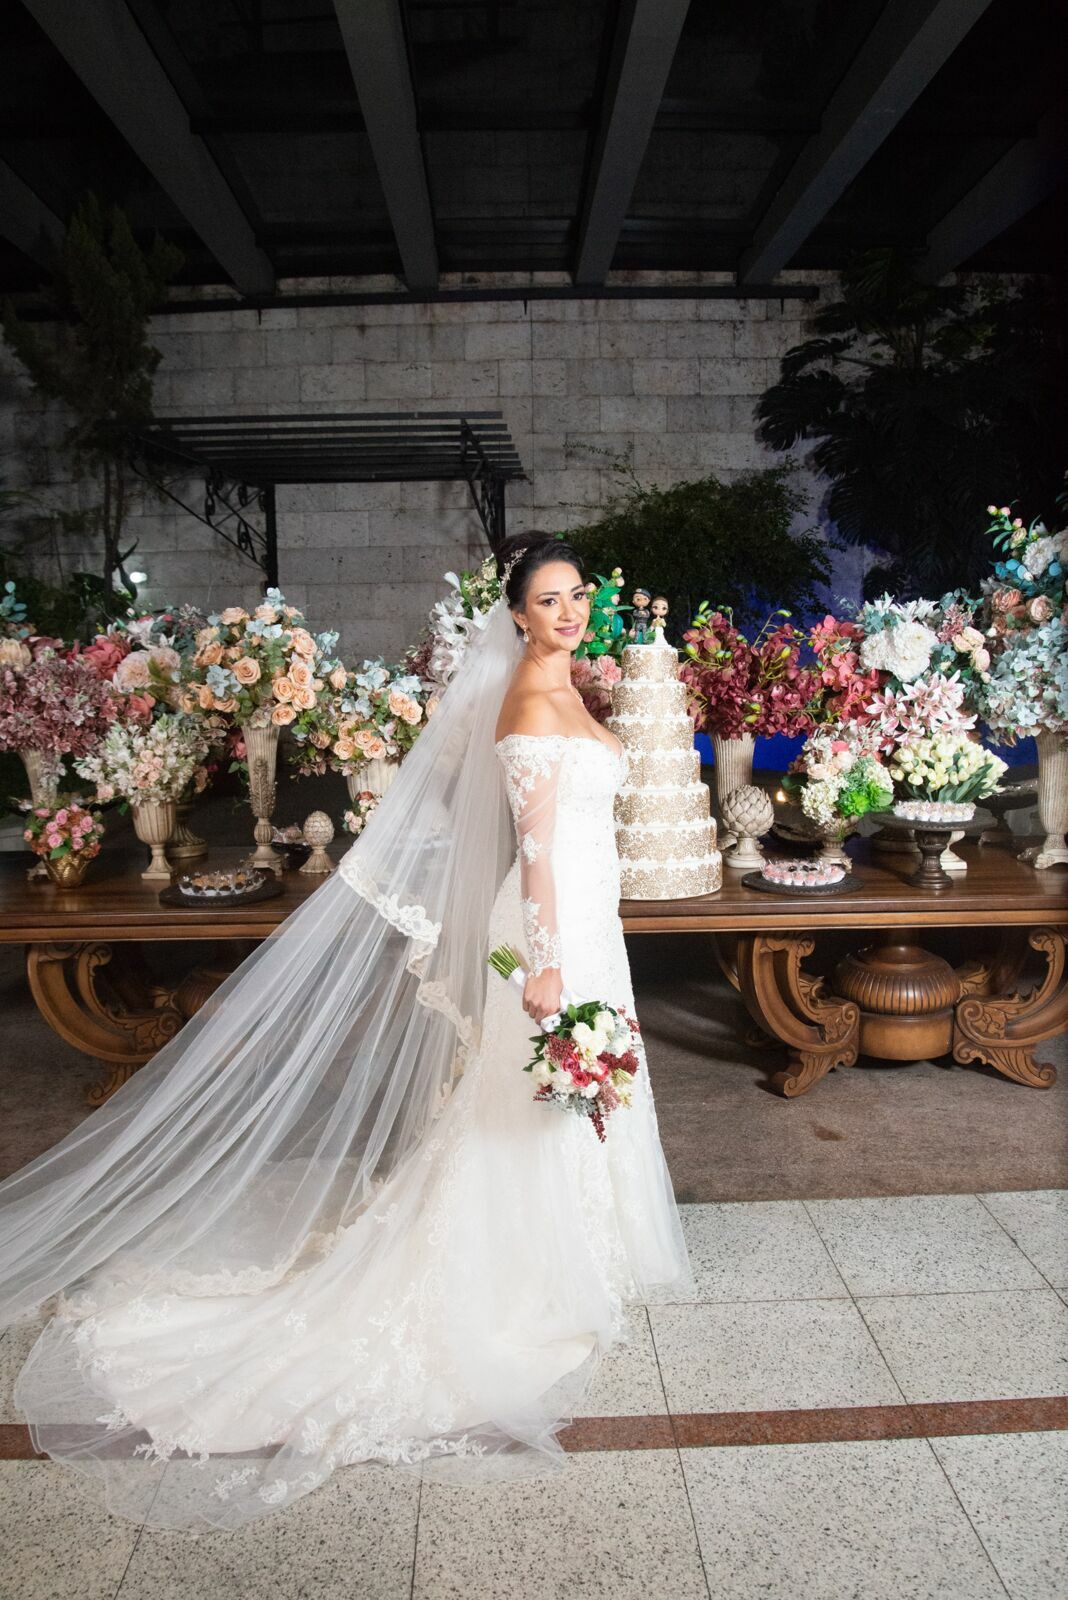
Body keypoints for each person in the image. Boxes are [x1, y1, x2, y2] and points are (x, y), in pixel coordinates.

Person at [0, 534, 692, 1533]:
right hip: (554, 931)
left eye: (578, 595)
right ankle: (530, 1263)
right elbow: (538, 852)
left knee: (569, 1093)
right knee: (532, 1094)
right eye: (549, 600)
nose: (570, 611)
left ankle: (589, 1243)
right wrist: (544, 966)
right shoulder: (534, 705)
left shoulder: (570, 684)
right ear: (518, 615)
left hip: (589, 920)